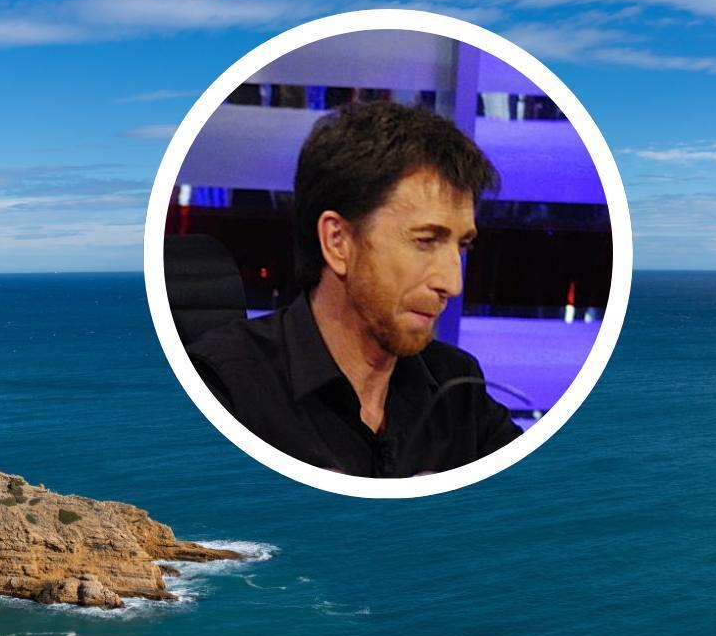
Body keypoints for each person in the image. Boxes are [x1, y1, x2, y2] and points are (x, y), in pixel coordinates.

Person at [186, 101, 522, 477]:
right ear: (338, 242)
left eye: (462, 246)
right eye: (426, 241)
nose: (452, 283)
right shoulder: (225, 389)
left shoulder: (457, 385)